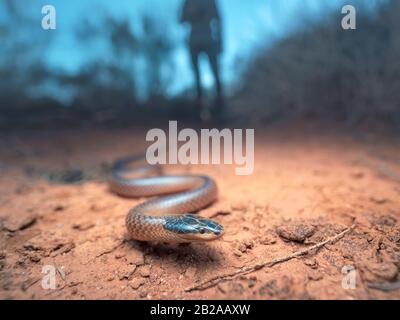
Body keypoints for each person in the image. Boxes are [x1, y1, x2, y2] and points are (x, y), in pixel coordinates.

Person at [180, 0, 224, 119]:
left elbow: (219, 20)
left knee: (216, 73)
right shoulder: (187, 2)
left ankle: (220, 108)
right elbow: (180, 19)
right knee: (196, 77)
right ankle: (199, 110)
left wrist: (221, 41)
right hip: (194, 41)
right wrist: (192, 14)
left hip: (209, 40)